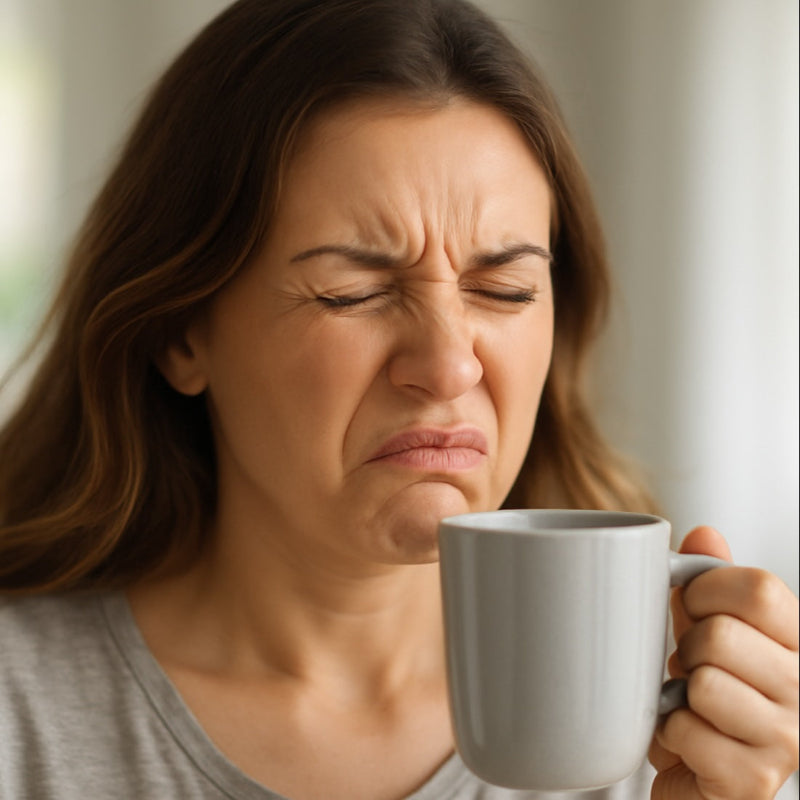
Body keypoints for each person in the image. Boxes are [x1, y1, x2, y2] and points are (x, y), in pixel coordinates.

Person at [0, 0, 796, 798]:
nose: (449, 366)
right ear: (181, 334)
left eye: (506, 289)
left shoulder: (680, 721)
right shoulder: (19, 715)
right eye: (352, 293)